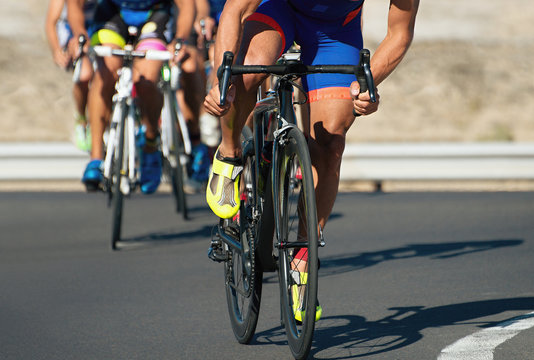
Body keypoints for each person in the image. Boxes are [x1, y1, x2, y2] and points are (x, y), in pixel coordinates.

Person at [203, 0, 419, 320]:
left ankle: (302, 259)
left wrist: (367, 84)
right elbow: (233, 12)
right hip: (279, 9)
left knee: (330, 142)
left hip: (334, 30)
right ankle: (230, 153)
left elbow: (399, 33)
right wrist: (221, 84)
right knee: (246, 72)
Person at [67, 0, 196, 193]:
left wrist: (180, 39)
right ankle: (95, 158)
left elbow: (186, 4)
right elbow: (75, 3)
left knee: (146, 78)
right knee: (105, 72)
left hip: (154, 13)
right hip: (112, 13)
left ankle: (151, 141)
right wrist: (79, 33)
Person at [45, 0, 96, 152]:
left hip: (98, 28)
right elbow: (50, 23)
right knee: (85, 75)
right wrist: (56, 50)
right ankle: (81, 119)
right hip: (72, 33)